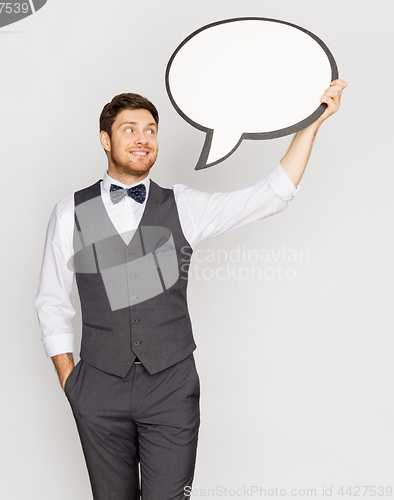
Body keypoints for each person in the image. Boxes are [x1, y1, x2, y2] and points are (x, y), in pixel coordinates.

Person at [35, 80, 347, 500]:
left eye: (150, 130)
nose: (142, 139)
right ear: (105, 140)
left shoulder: (182, 205)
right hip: (98, 388)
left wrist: (312, 124)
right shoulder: (70, 210)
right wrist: (71, 381)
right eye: (129, 129)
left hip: (170, 386)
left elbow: (271, 195)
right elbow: (52, 300)